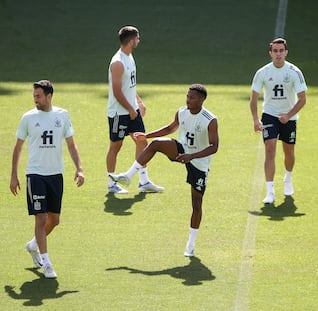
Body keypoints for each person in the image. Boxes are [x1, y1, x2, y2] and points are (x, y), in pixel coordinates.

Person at [109, 84, 219, 257]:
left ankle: (190, 245)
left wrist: (192, 157)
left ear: (202, 100)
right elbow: (170, 128)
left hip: (199, 162)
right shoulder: (182, 112)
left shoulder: (210, 120)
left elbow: (214, 147)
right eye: (187, 96)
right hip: (182, 149)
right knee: (156, 144)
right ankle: (128, 176)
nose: (188, 100)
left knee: (196, 204)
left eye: (192, 97)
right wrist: (147, 135)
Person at [10, 80, 85, 278]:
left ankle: (34, 245)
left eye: (38, 96)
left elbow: (71, 144)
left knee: (54, 220)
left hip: (55, 175)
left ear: (49, 96)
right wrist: (14, 175)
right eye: (34, 96)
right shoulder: (27, 118)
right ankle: (47, 263)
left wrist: (79, 168)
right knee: (41, 217)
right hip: (35, 175)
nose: (35, 99)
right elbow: (17, 147)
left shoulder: (62, 115)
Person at [250, 38, 307, 204]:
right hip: (269, 115)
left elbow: (303, 99)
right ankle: (270, 191)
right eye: (275, 51)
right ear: (270, 53)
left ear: (286, 52)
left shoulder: (294, 72)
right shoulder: (262, 73)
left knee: (289, 152)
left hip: (289, 117)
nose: (278, 54)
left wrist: (288, 115)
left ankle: (288, 179)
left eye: (281, 50)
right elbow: (253, 99)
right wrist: (255, 120)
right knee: (270, 148)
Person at [106, 25, 163, 194]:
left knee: (142, 142)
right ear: (131, 41)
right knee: (116, 146)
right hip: (119, 113)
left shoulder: (129, 57)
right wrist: (131, 109)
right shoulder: (118, 62)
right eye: (137, 38)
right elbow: (116, 92)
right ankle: (111, 183)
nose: (139, 41)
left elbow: (129, 85)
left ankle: (144, 181)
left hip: (132, 110)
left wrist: (139, 102)